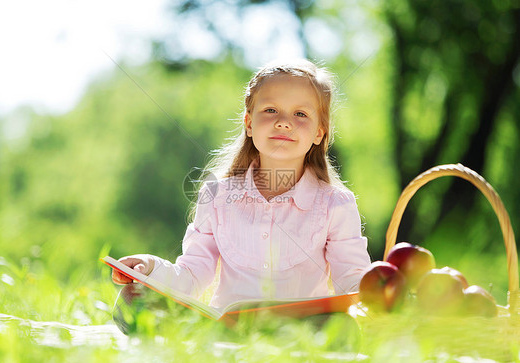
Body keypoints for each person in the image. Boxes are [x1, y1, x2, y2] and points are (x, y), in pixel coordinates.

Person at [112, 59, 371, 312]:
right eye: (270, 110)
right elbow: (191, 276)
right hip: (227, 333)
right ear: (249, 123)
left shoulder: (335, 204)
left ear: (319, 133)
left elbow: (350, 280)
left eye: (300, 114)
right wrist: (151, 267)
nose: (283, 121)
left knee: (341, 325)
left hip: (302, 332)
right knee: (135, 299)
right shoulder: (217, 196)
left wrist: (381, 288)